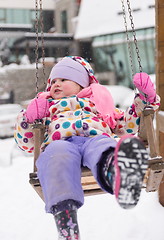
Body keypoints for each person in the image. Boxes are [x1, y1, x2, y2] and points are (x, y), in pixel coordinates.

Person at [14, 56, 160, 240]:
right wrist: (28, 119)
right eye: (53, 81)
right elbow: (26, 144)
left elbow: (129, 125)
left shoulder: (99, 105)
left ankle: (120, 176)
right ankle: (67, 224)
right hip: (61, 144)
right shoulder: (47, 107)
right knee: (56, 157)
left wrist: (145, 98)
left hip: (95, 139)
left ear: (82, 84)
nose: (55, 84)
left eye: (64, 80)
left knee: (104, 146)